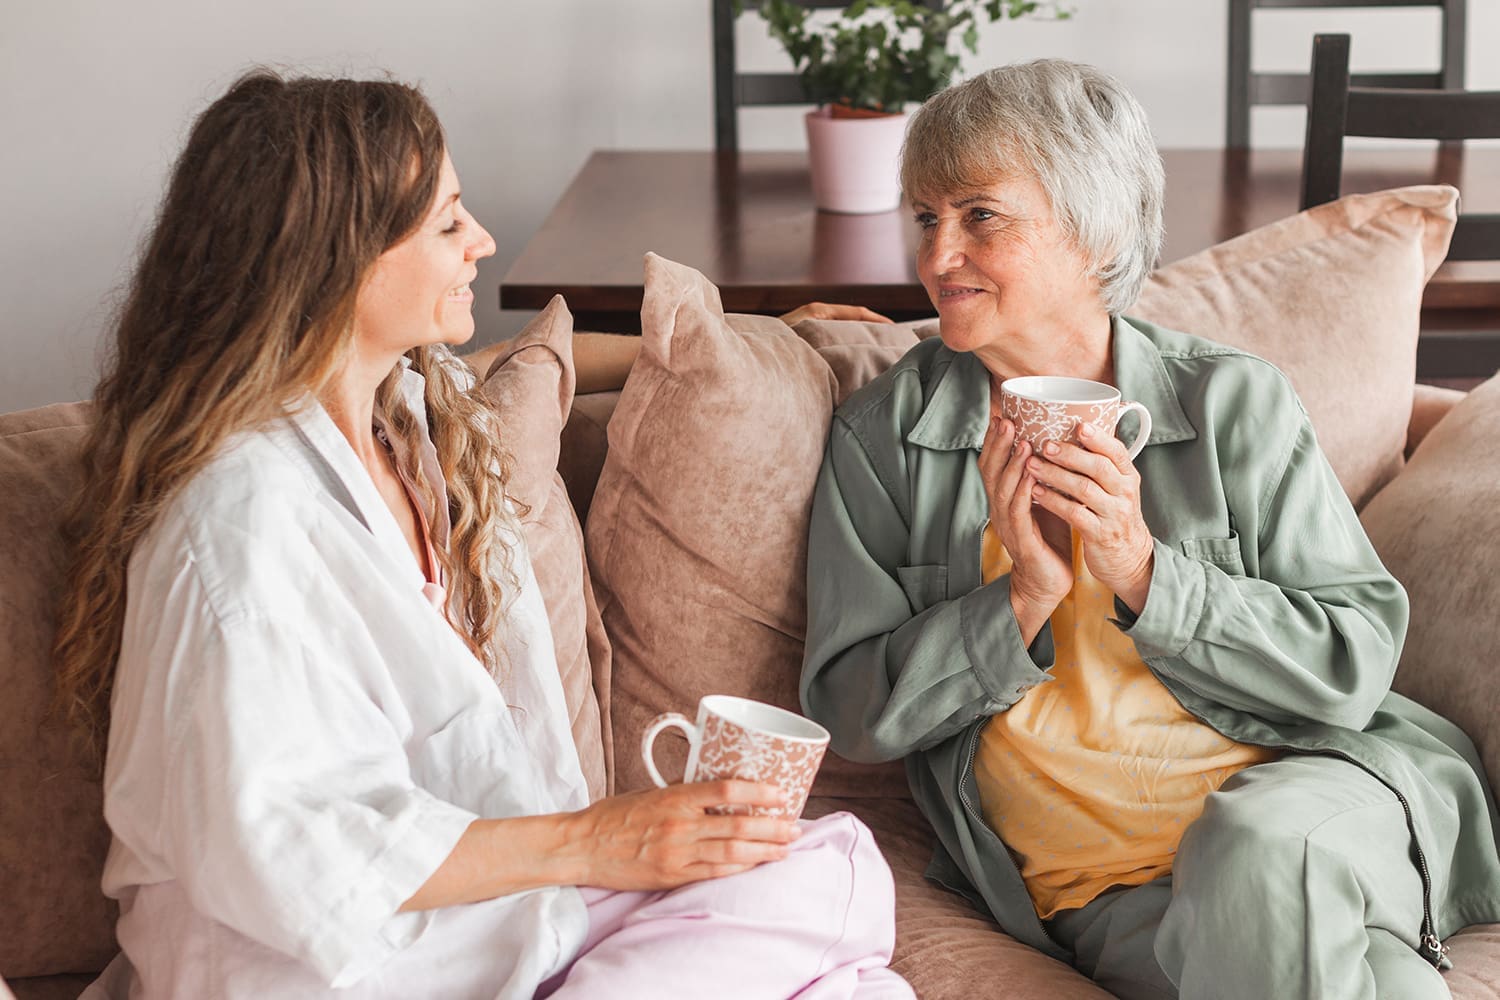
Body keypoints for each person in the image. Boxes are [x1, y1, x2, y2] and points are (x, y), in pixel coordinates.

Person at [52, 70, 914, 1000]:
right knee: (837, 888)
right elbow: (286, 849)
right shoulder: (233, 527)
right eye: (448, 222)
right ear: (341, 261)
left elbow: (519, 359)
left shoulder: (408, 419)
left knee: (836, 896)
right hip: (321, 970)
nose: (485, 243)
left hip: (485, 933)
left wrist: (759, 333)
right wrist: (605, 839)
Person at [800, 59, 1500, 1000]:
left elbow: (1351, 657)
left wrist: (1143, 572)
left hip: (1308, 801)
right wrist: (1020, 601)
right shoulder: (885, 439)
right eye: (926, 217)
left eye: (981, 215)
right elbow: (849, 708)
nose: (937, 257)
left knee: (1252, 851)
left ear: (1098, 232)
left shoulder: (1228, 402)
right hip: (1105, 889)